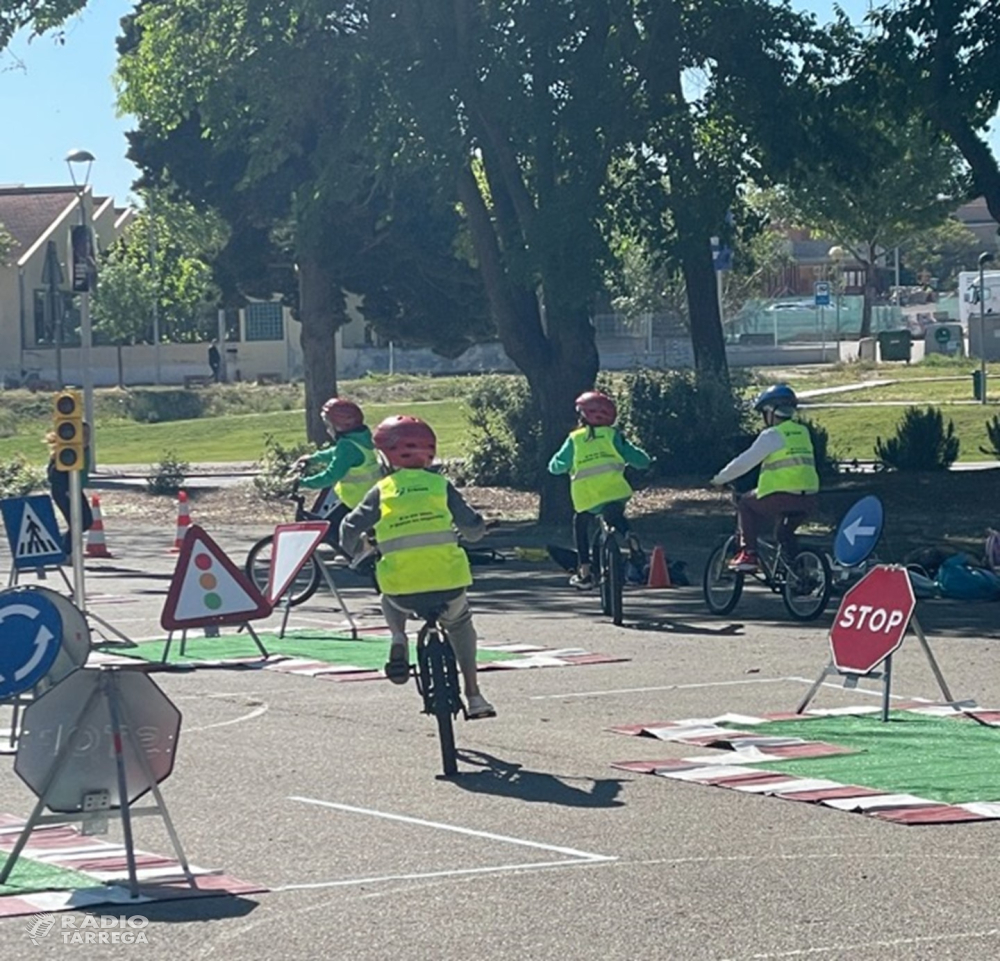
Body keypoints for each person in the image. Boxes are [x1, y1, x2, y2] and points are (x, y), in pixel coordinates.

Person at [339, 414, 495, 719]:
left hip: (402, 589)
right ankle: (474, 695)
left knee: (388, 595)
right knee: (461, 623)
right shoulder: (440, 486)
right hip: (449, 583)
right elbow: (472, 528)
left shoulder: (382, 490)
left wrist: (359, 552)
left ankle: (398, 636)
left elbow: (348, 528)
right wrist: (479, 528)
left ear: (385, 455)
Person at [710, 383, 819, 572]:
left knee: (745, 503)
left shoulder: (772, 435)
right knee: (784, 533)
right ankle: (797, 574)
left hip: (781, 497)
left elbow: (744, 462)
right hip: (808, 498)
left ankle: (749, 554)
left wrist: (719, 479)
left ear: (770, 411)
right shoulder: (803, 432)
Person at [548, 390, 651, 589]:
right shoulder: (613, 436)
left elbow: (556, 466)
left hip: (587, 498)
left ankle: (585, 572)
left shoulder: (575, 439)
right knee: (615, 514)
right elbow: (641, 460)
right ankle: (629, 536)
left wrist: (562, 467)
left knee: (580, 523)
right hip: (615, 492)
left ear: (582, 416)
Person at [292, 397, 381, 546]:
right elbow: (335, 453)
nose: (327, 429)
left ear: (339, 426)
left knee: (335, 531)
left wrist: (302, 482)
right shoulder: (359, 439)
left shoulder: (347, 447)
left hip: (358, 500)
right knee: (332, 526)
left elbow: (331, 476)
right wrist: (313, 458)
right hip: (366, 496)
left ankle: (354, 561)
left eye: (328, 424)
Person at [46, 422, 93, 555]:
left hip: (75, 489)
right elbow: (52, 474)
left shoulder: (85, 449)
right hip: (64, 490)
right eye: (82, 434)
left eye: (88, 434)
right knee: (79, 523)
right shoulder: (67, 452)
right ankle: (63, 550)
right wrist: (67, 489)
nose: (86, 437)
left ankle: (58, 546)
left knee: (86, 521)